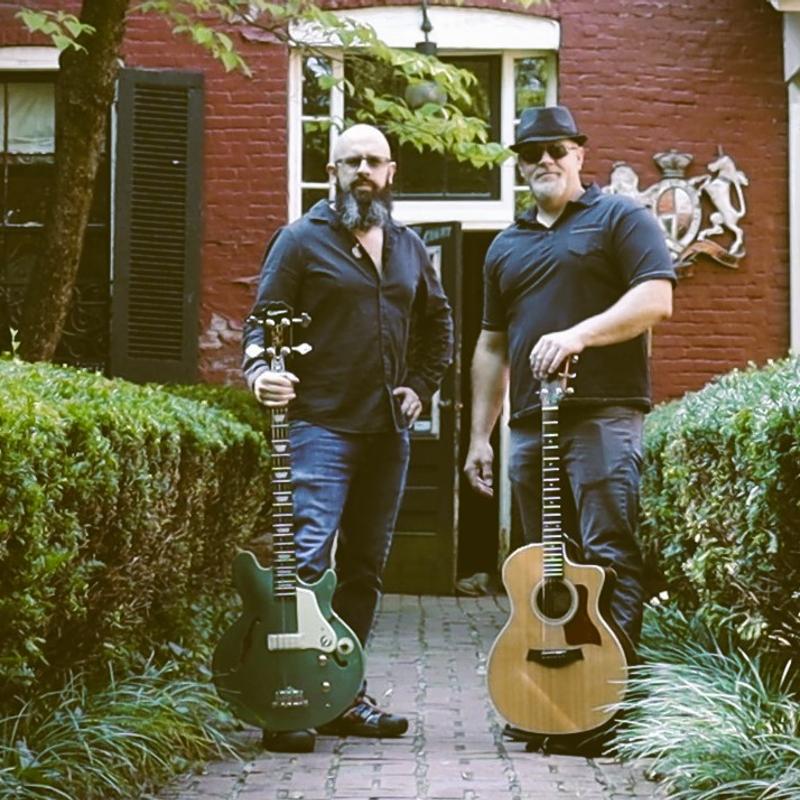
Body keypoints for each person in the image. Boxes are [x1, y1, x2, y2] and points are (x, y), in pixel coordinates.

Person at [243, 123, 454, 753]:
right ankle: (289, 697)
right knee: (308, 562)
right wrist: (259, 374)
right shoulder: (300, 241)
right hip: (320, 426)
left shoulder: (409, 247)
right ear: (332, 170)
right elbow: (260, 323)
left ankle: (341, 695)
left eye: (374, 161)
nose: (363, 170)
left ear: (391, 173)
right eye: (351, 160)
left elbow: (439, 324)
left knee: (364, 569)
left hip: (388, 433)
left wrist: (421, 385)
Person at [464, 104, 675, 659]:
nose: (545, 161)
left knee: (608, 553)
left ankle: (610, 685)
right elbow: (491, 345)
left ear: (579, 154)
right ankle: (558, 684)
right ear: (520, 165)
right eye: (531, 153)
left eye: (557, 149)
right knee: (543, 562)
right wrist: (480, 436)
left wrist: (579, 335)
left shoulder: (620, 218)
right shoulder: (505, 246)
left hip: (604, 414)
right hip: (531, 423)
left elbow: (656, 298)